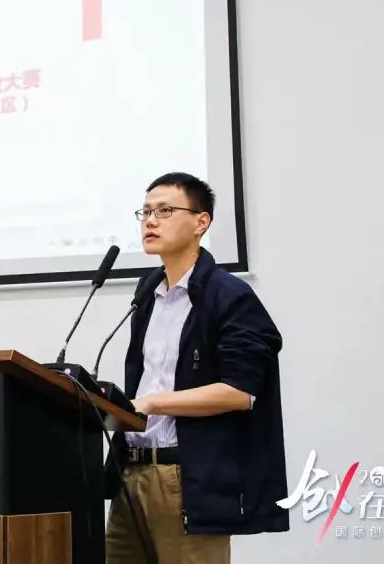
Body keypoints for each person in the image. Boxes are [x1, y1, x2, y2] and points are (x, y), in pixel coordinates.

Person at [104, 172, 288, 564]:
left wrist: (150, 403)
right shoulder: (148, 293)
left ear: (201, 222)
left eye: (165, 211)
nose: (150, 221)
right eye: (145, 212)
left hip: (186, 479)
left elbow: (240, 392)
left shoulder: (229, 296)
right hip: (131, 474)